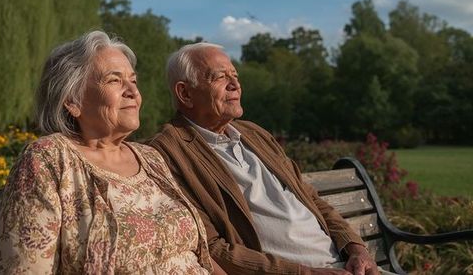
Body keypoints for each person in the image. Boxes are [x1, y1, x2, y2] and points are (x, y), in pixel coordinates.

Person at [0, 31, 220, 274]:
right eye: (114, 80)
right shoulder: (49, 159)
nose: (133, 91)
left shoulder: (150, 158)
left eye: (133, 80)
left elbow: (195, 253)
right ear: (73, 100)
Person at [148, 42, 383, 275]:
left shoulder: (254, 133)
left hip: (344, 266)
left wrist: (356, 249)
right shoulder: (169, 153)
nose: (235, 85)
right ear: (185, 93)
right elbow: (209, 247)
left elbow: (310, 198)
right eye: (220, 77)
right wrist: (305, 273)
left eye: (235, 76)